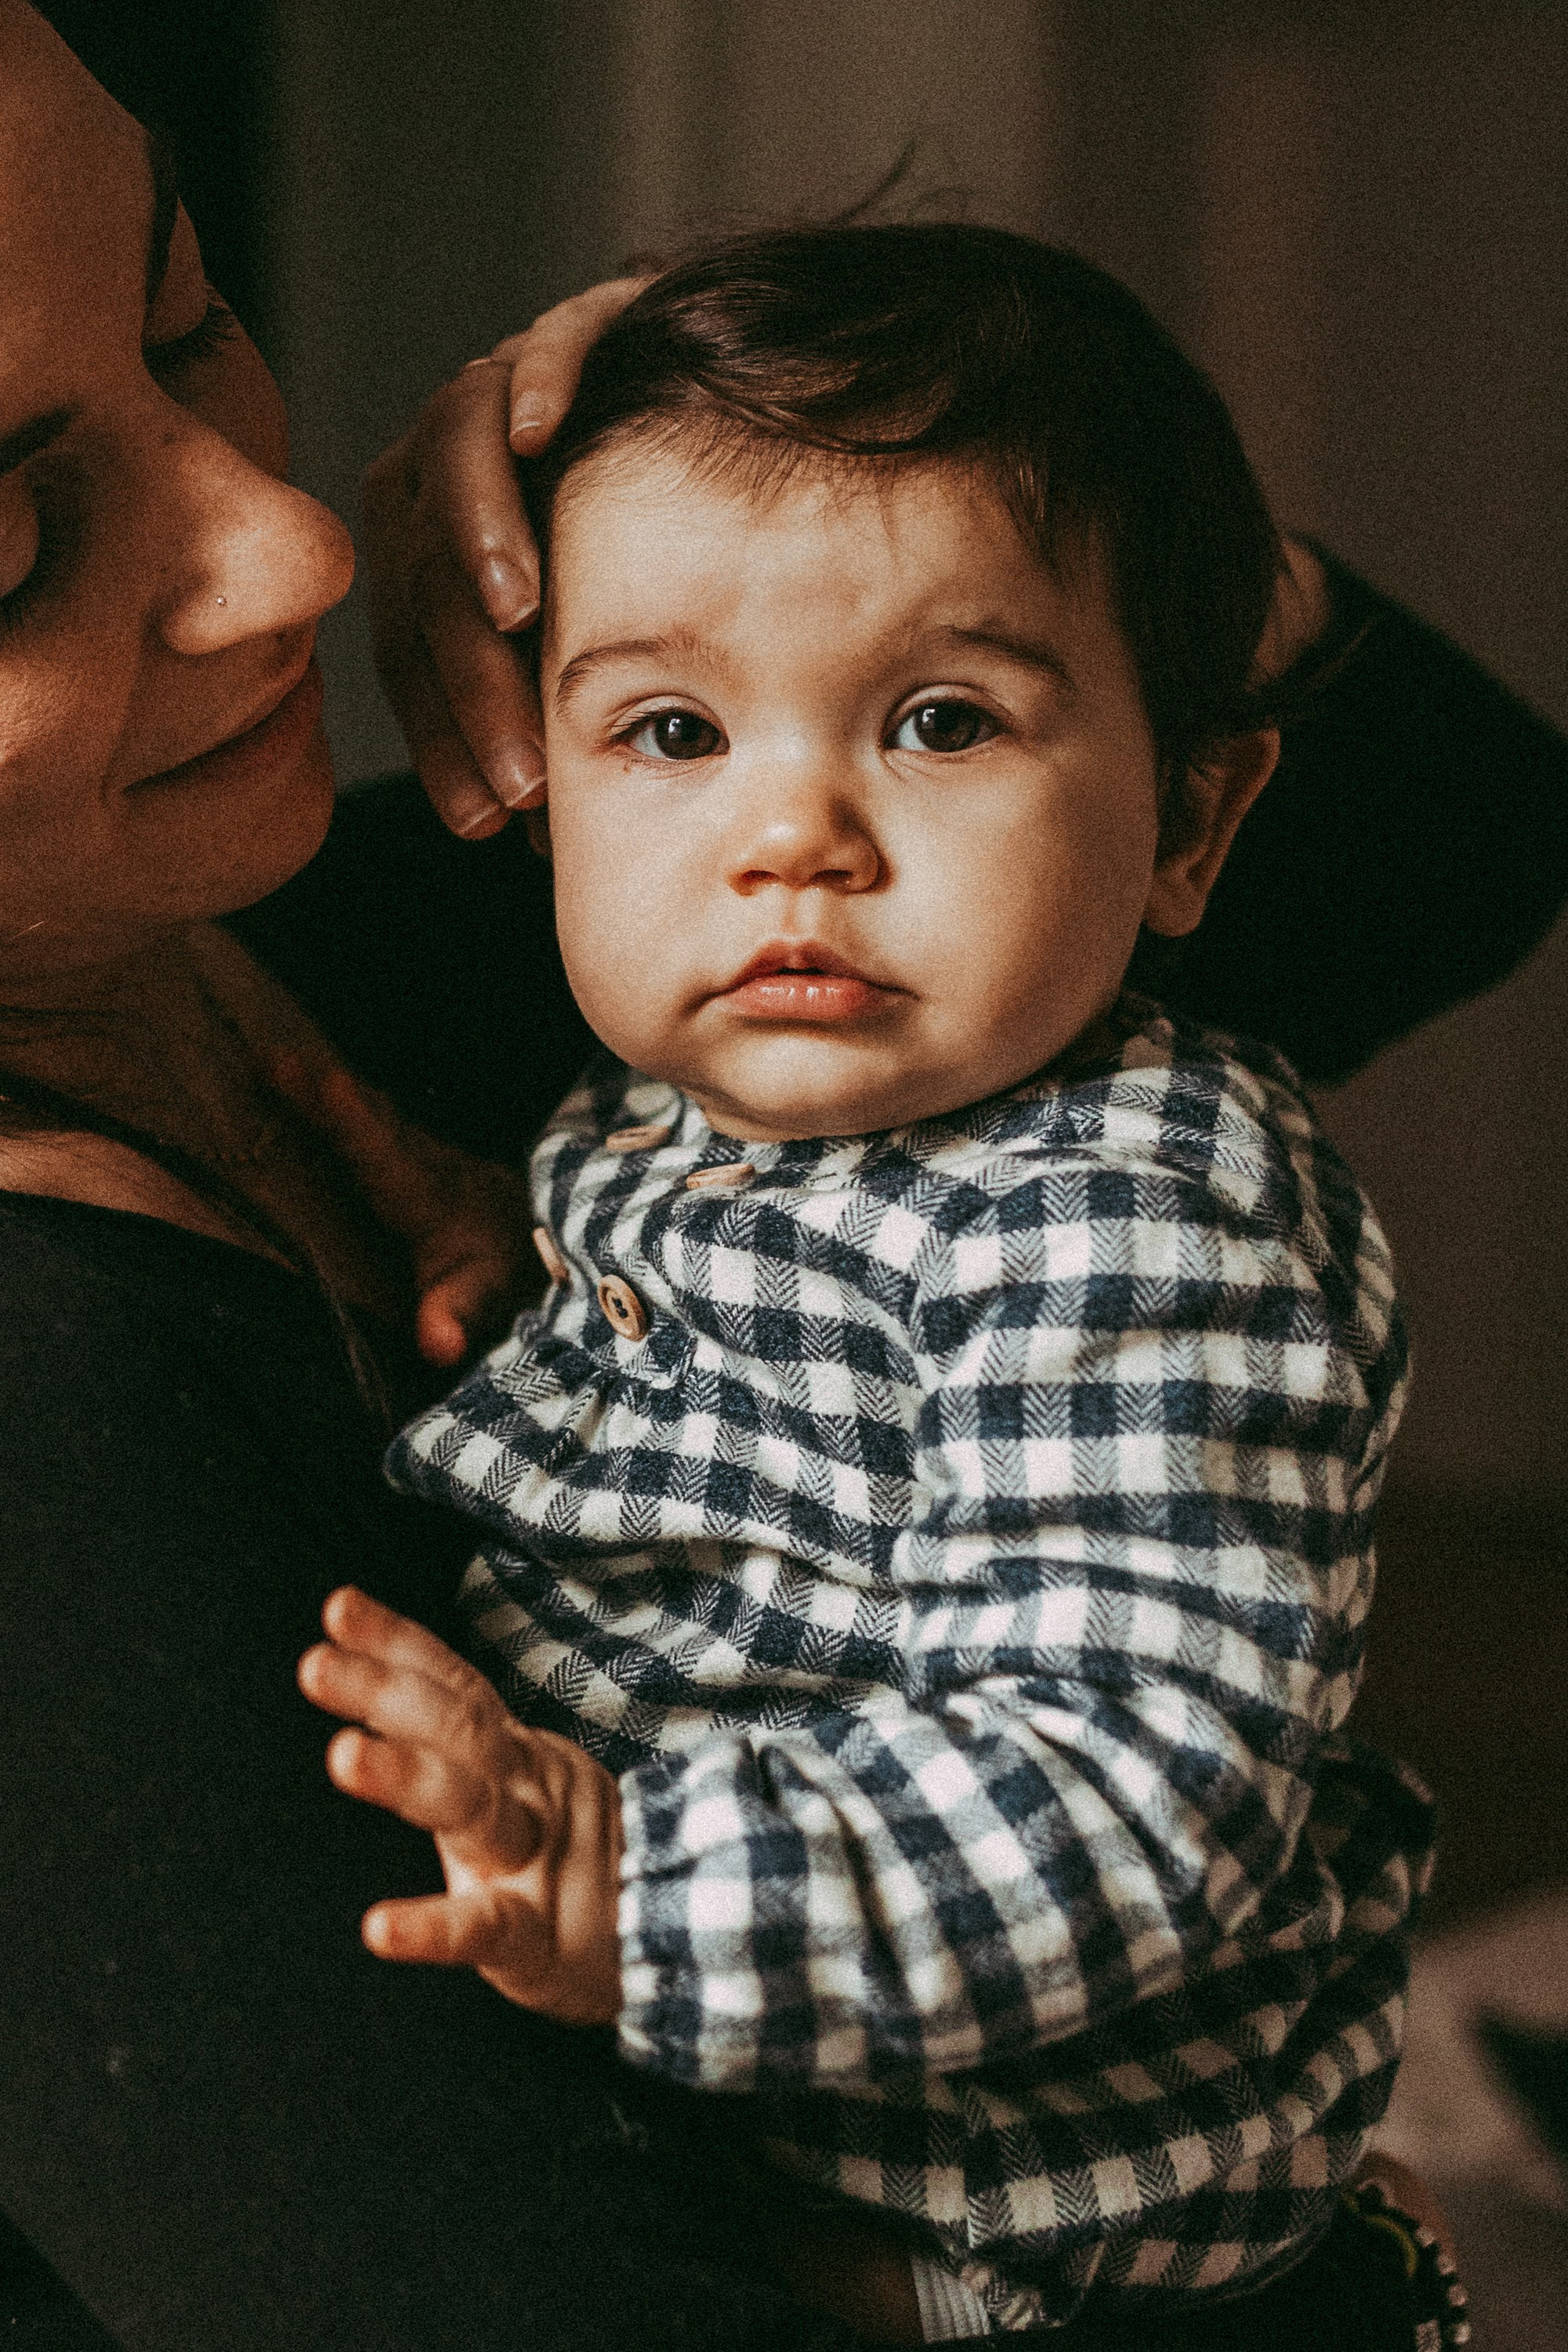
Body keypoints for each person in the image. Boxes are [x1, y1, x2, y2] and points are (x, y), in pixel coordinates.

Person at [0, 1, 1552, 2343]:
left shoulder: (634, 931)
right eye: (12, 533)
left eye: (187, 315)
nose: (294, 544)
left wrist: (818, 461)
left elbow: (1448, 827)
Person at [297, 224, 1456, 2348]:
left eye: (935, 719)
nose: (792, 831)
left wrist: (637, 1889)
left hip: (1011, 2205)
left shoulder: (1130, 1209)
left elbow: (1123, 1776)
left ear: (1191, 819)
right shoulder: (657, 1108)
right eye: (666, 727)